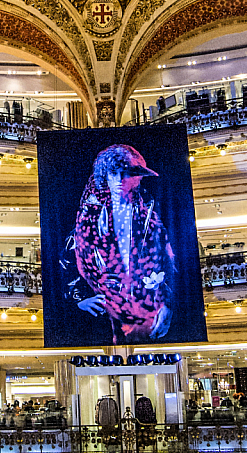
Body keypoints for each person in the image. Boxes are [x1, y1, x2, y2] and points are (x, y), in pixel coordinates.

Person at [73, 144, 175, 343]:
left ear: (137, 178)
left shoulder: (150, 218)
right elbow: (69, 262)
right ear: (105, 176)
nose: (119, 179)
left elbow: (168, 263)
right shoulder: (89, 216)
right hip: (104, 315)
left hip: (146, 315)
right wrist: (80, 299)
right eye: (113, 173)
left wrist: (167, 304)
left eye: (126, 173)